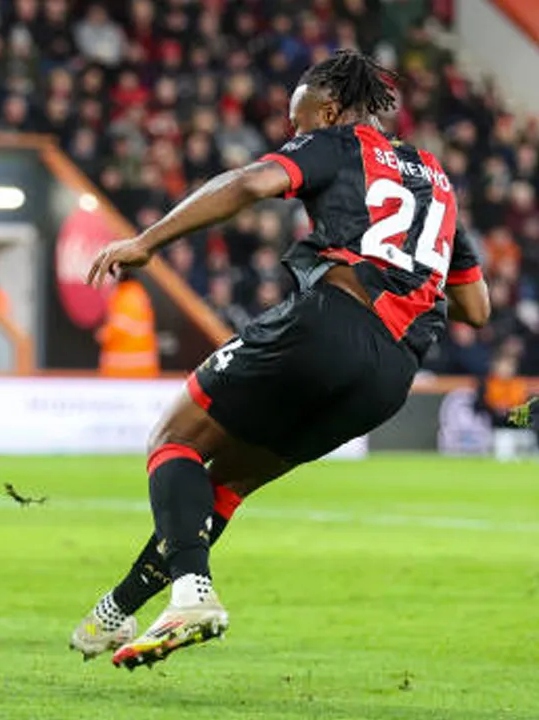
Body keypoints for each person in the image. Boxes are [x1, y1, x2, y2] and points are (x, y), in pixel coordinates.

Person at [70, 50, 490, 670]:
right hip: (391, 375)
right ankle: (119, 607)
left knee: (173, 440)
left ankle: (192, 594)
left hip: (331, 324)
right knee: (227, 485)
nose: (297, 137)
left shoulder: (340, 143)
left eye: (301, 125)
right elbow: (476, 307)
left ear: (330, 109)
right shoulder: (438, 179)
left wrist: (146, 242)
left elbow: (248, 184)